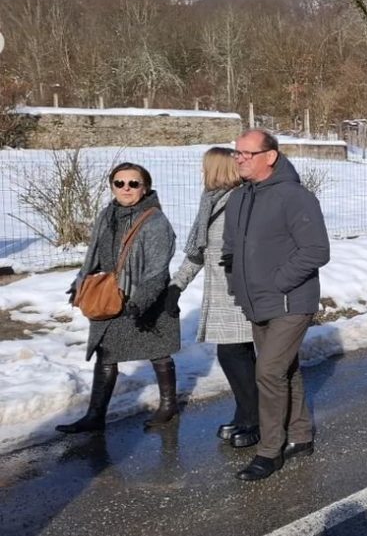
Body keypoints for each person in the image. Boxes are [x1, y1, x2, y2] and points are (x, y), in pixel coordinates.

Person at [223, 129, 330, 482]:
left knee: (267, 371)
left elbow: (316, 250)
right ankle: (301, 435)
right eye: (236, 153)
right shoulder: (238, 198)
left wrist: (279, 281)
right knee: (285, 370)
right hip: (256, 302)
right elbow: (231, 249)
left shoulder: (294, 196)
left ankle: (269, 451)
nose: (238, 158)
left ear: (270, 157)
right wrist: (237, 282)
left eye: (246, 153)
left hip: (291, 300)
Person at [57, 162, 180, 435]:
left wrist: (142, 301)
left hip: (146, 298)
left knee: (157, 352)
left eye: (133, 183)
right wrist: (80, 282)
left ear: (144, 187)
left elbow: (158, 268)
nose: (126, 188)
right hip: (113, 295)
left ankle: (169, 405)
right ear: (112, 186)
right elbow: (96, 254)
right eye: (119, 183)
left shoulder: (155, 220)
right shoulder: (106, 215)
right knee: (106, 354)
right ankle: (95, 415)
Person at [167, 147, 259, 448]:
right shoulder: (211, 201)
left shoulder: (239, 200)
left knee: (236, 355)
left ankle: (254, 419)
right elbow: (198, 252)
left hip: (239, 290)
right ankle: (245, 413)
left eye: (206, 167)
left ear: (218, 169)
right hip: (219, 291)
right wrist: (176, 286)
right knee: (235, 355)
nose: (202, 173)